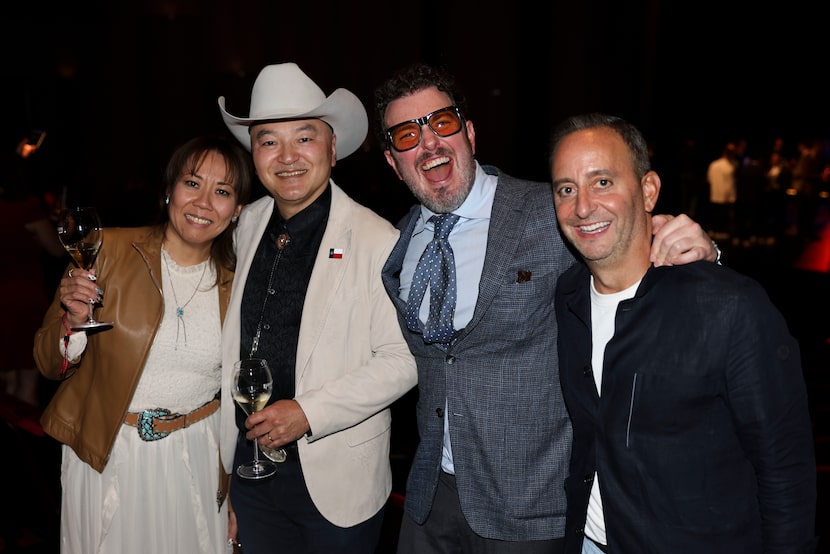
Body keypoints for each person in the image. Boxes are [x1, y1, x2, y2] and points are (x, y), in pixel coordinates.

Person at [372, 62, 719, 553]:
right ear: (393, 161)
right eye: (407, 134)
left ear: (469, 133)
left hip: (530, 508)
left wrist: (704, 253)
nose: (428, 143)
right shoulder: (400, 240)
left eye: (442, 122)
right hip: (431, 500)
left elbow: (631, 245)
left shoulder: (548, 211)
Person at [549, 113, 817, 553]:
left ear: (648, 190)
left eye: (602, 182)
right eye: (566, 189)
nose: (582, 207)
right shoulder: (566, 297)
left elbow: (785, 471)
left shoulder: (728, 307)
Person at [216, 63, 417, 553]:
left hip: (338, 485)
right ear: (254, 154)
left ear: (332, 147)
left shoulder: (378, 239)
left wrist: (308, 412)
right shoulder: (243, 226)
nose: (287, 157)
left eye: (304, 138)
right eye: (269, 141)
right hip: (248, 472)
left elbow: (404, 360)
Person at [33, 135, 253, 553]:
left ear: (238, 209)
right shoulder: (107, 252)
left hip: (199, 455)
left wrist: (236, 490)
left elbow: (243, 396)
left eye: (222, 191)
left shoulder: (241, 279)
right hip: (110, 455)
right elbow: (46, 361)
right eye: (192, 183)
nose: (203, 202)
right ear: (170, 189)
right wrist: (72, 323)